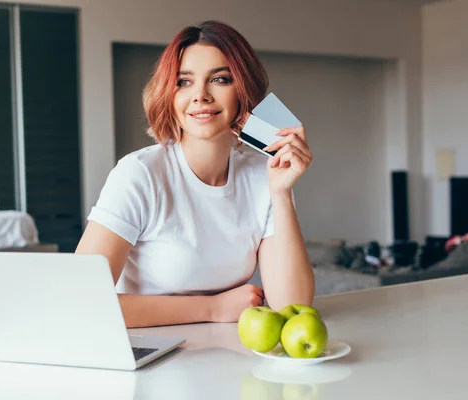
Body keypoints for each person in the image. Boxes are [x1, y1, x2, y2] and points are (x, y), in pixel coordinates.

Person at [76, 20, 315, 328]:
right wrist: (211, 309)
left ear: (244, 93)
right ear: (169, 94)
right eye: (184, 82)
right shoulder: (140, 174)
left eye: (220, 79)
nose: (200, 95)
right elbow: (81, 300)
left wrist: (281, 193)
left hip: (224, 356)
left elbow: (292, 309)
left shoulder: (264, 177)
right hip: (144, 359)